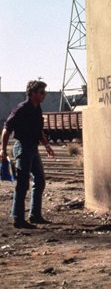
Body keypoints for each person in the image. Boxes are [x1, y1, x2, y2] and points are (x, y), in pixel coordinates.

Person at [0, 80, 55, 229]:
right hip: (23, 148)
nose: (44, 95)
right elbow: (7, 129)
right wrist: (2, 150)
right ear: (32, 93)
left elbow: (38, 131)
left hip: (33, 148)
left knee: (40, 180)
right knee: (23, 184)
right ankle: (18, 218)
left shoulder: (37, 109)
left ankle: (35, 215)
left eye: (45, 92)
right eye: (41, 92)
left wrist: (47, 146)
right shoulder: (21, 108)